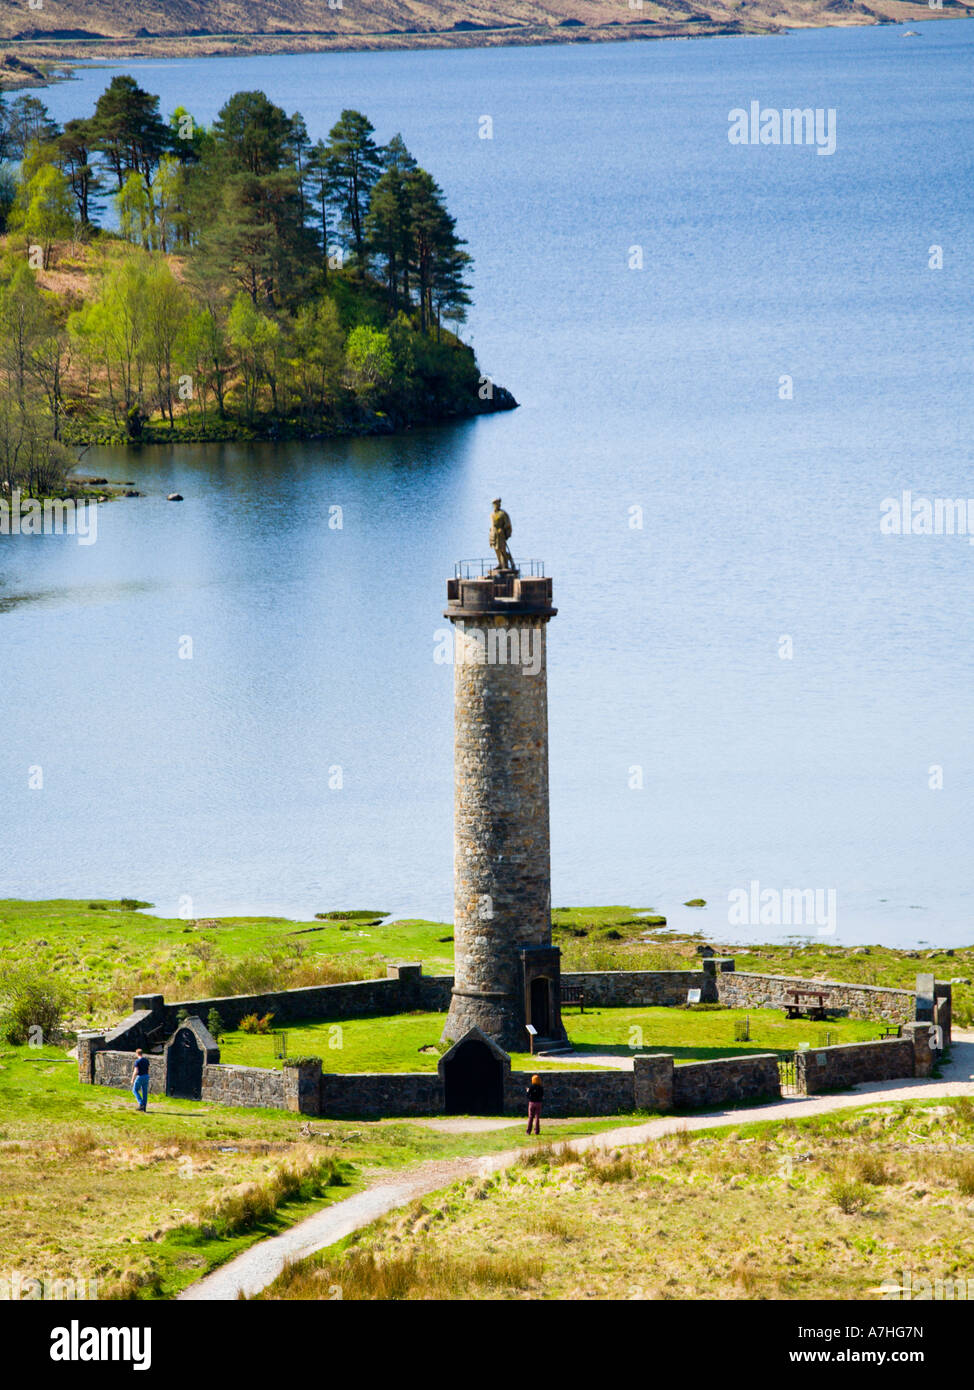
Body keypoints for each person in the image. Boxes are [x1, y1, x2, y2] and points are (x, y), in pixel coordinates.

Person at [490, 498, 514, 571]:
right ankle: (500, 563)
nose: (495, 505)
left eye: (497, 504)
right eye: (494, 504)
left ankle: (506, 564)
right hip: (494, 534)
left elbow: (508, 524)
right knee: (496, 549)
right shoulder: (492, 514)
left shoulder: (503, 514)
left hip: (501, 534)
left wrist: (507, 534)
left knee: (502, 549)